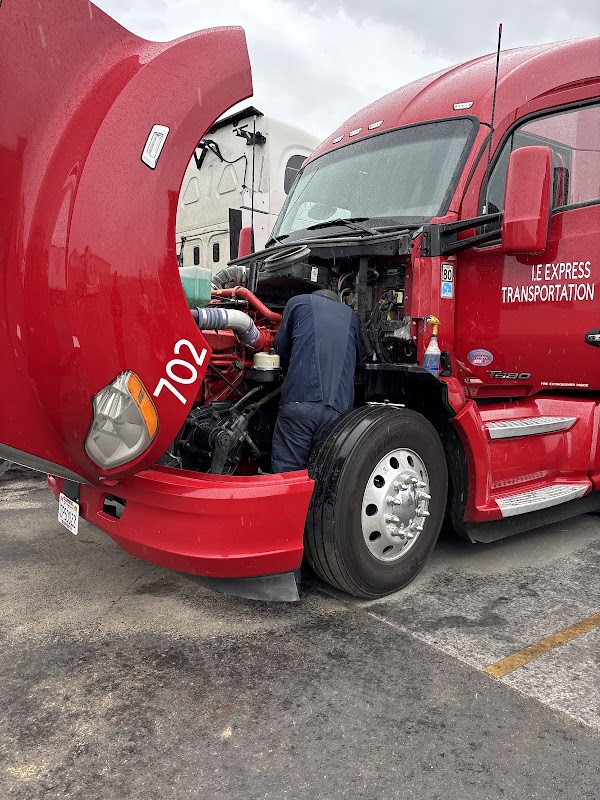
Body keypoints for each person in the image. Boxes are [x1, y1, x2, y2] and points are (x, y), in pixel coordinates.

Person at [271, 289, 362, 472]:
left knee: (288, 470)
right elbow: (358, 358)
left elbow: (280, 348)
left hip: (300, 401)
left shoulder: (298, 302)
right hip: (338, 410)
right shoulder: (352, 317)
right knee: (321, 472)